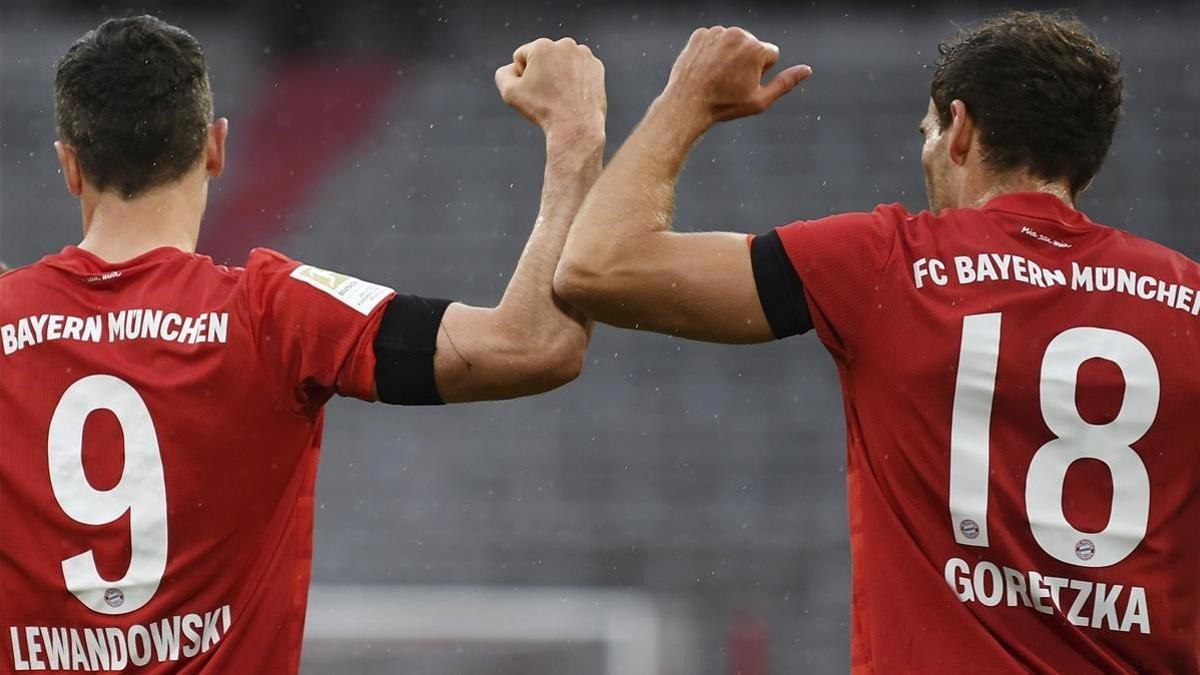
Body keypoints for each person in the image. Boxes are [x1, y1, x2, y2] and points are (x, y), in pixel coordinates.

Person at [555, 11, 1198, 674]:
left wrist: (685, 101)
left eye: (928, 131)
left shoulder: (892, 263)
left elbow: (598, 268)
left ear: (961, 130)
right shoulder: (1189, 300)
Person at [0, 15, 604, 672]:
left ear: (68, 165)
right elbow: (535, 343)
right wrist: (575, 140)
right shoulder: (272, 309)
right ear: (215, 148)